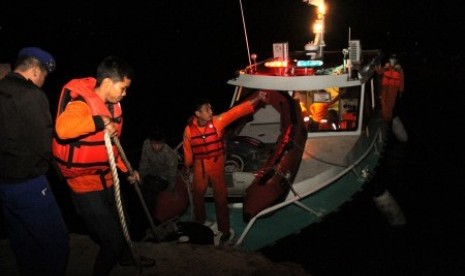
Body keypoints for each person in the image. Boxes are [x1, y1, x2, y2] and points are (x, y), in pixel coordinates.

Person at [52, 56, 155, 275]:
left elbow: (112, 150)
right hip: (84, 185)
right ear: (108, 82)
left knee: (125, 225)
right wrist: (99, 121)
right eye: (123, 88)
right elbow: (63, 129)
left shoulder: (113, 106)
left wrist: (129, 171)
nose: (125, 94)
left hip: (107, 178)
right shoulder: (80, 103)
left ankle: (127, 259)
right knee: (112, 241)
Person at [0, 47, 69, 275]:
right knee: (57, 243)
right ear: (35, 70)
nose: (44, 81)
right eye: (45, 75)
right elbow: (44, 145)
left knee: (21, 238)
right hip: (29, 184)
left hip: (4, 184)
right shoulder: (31, 95)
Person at [182, 90, 267, 244]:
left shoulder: (218, 121)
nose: (211, 111)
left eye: (210, 108)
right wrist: (187, 167)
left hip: (217, 165)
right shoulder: (188, 131)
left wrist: (257, 98)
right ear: (197, 113)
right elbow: (188, 151)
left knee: (221, 199)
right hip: (199, 167)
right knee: (197, 196)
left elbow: (237, 111)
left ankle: (225, 230)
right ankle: (200, 221)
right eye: (207, 109)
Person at [138, 125, 178, 213]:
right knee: (142, 189)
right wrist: (140, 177)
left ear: (163, 142)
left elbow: (172, 173)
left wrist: (171, 189)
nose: (156, 147)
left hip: (163, 178)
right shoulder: (146, 144)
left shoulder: (169, 153)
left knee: (151, 192)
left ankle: (152, 216)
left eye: (159, 144)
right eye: (154, 143)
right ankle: (145, 214)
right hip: (150, 174)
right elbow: (143, 162)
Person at [376, 54, 405, 123]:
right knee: (383, 101)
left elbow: (402, 80)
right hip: (385, 87)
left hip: (393, 88)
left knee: (390, 104)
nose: (392, 60)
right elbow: (379, 72)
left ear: (396, 60)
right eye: (391, 58)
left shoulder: (399, 69)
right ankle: (384, 116)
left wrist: (401, 91)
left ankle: (388, 118)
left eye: (393, 59)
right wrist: (375, 68)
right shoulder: (386, 66)